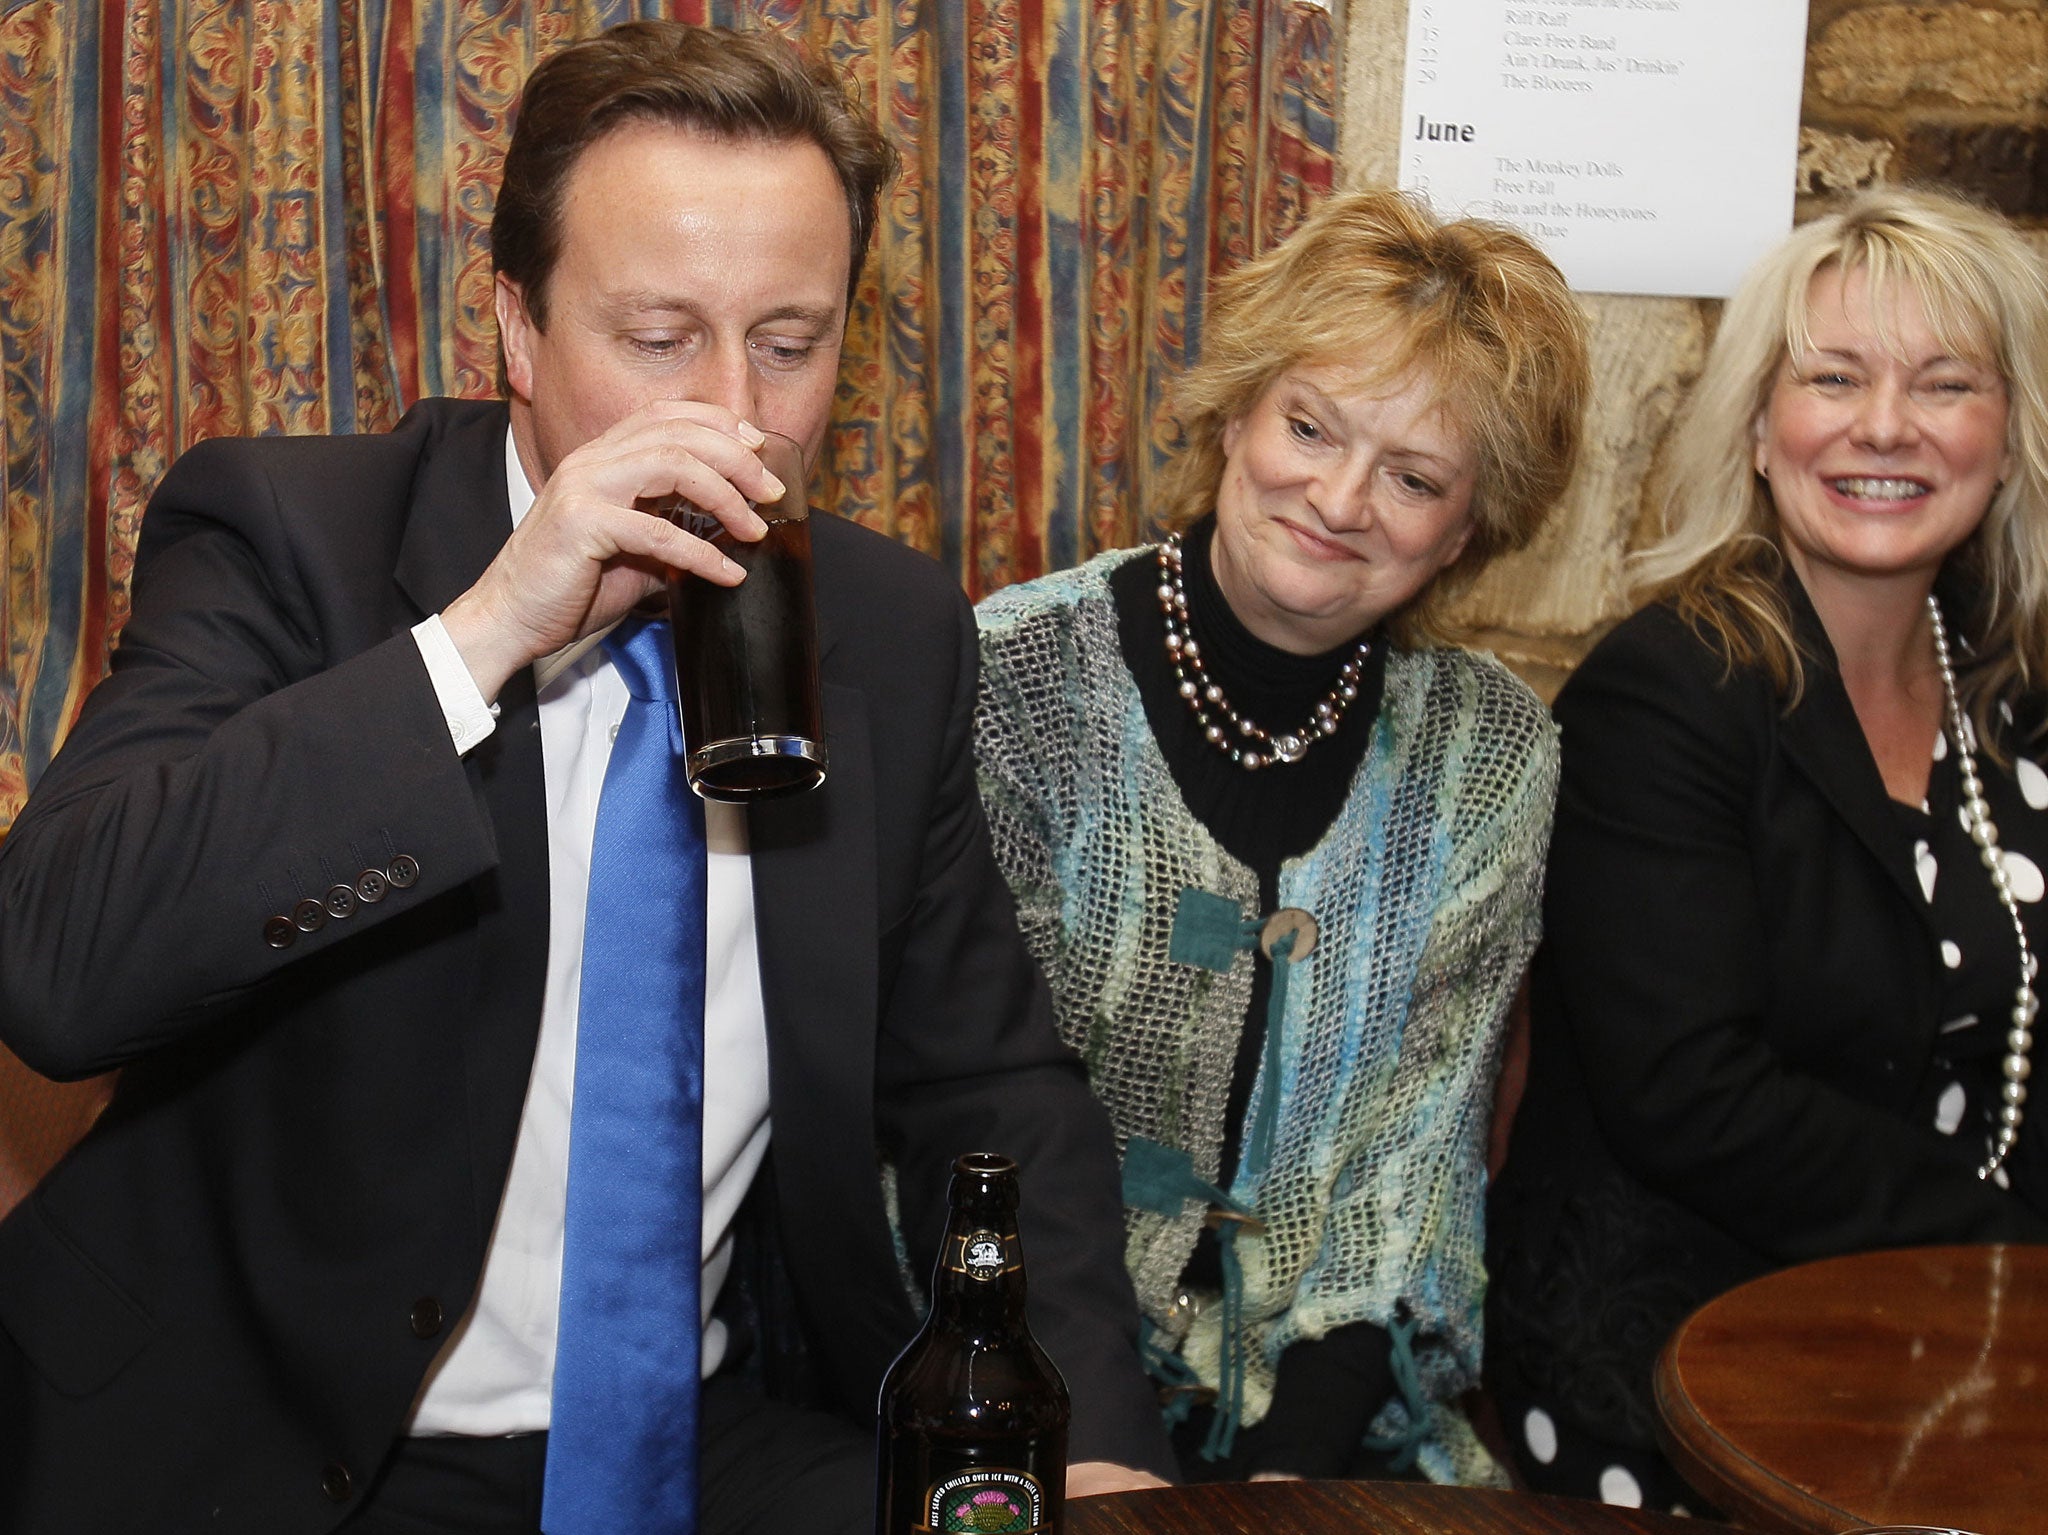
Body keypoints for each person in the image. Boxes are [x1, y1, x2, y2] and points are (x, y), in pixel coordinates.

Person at [0, 22, 1172, 1534]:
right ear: (517, 330)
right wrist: (484, 637)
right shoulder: (290, 535)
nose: (734, 414)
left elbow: (986, 1080)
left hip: (696, 1430)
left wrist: (1088, 1444)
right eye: (659, 336)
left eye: (791, 341)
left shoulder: (882, 630)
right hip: (269, 1437)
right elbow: (57, 965)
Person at [973, 189, 1591, 1483]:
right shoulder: (1015, 682)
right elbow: (977, 1124)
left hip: (1332, 1429)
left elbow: (1406, 1176)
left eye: (1415, 477)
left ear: (1468, 531)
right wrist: (1115, 1466)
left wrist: (1287, 1485)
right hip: (1012, 1381)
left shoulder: (1486, 758)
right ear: (1239, 411)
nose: (1341, 499)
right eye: (1311, 426)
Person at [1487, 185, 2048, 1514]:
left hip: (1953, 1345)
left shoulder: (2010, 690)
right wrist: (2014, 1257)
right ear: (1755, 424)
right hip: (1683, 1366)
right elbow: (1694, 1096)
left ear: (2010, 434)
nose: (1885, 426)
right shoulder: (1669, 692)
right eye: (1834, 377)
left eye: (1945, 383)